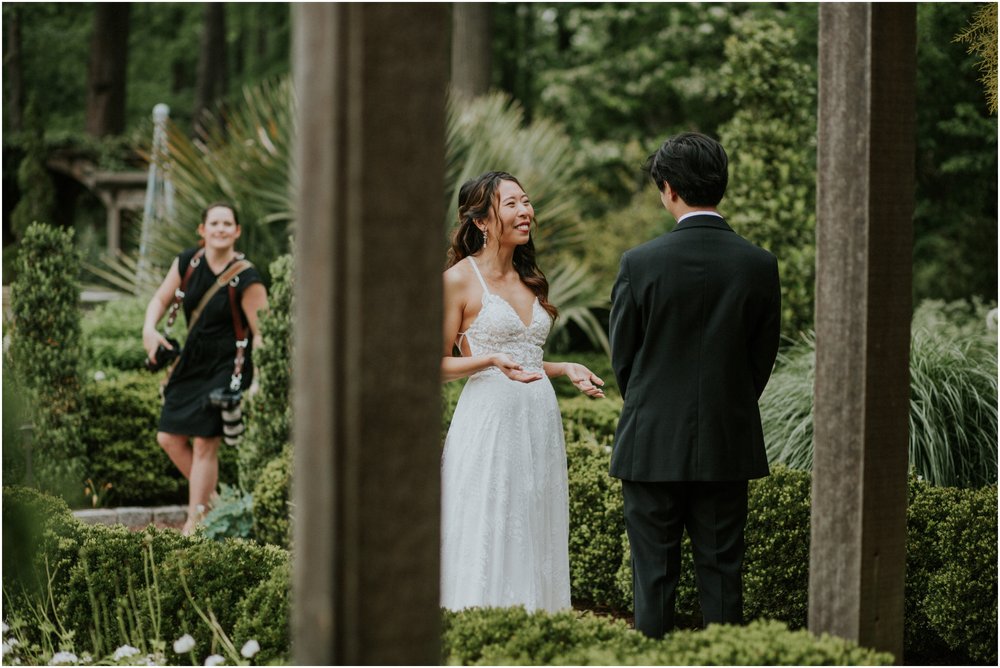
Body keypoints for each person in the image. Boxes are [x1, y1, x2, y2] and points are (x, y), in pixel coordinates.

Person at [609, 132, 781, 638]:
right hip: (727, 443)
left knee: (653, 581)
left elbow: (624, 359)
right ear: (720, 186)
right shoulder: (759, 265)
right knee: (724, 577)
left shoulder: (639, 263)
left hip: (650, 443)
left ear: (668, 189)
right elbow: (760, 360)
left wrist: (651, 405)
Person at [440, 171, 605, 612]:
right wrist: (487, 360)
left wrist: (564, 367)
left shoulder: (530, 278)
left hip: (538, 423)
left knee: (534, 525)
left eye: (525, 201)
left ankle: (537, 629)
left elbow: (524, 360)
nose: (524, 211)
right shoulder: (458, 279)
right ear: (482, 221)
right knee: (490, 527)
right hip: (489, 426)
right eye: (510, 203)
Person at [142, 202, 268, 536]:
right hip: (192, 361)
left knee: (203, 444)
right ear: (203, 230)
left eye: (228, 223)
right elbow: (159, 300)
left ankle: (194, 522)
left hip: (229, 365)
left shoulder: (247, 276)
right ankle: (217, 504)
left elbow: (262, 333)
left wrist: (256, 384)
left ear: (237, 231)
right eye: (215, 223)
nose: (221, 228)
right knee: (167, 436)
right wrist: (149, 329)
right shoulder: (188, 262)